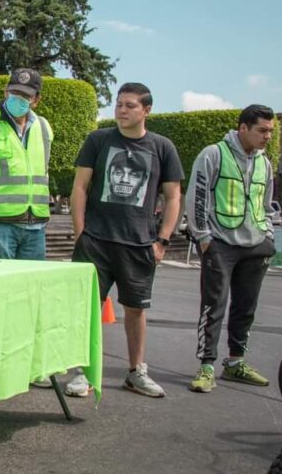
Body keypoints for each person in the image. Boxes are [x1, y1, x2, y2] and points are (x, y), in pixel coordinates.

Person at [65, 82, 183, 398]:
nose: (122, 110)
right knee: (88, 309)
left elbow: (173, 197)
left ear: (146, 110)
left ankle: (136, 372)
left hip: (140, 244)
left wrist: (162, 240)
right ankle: (83, 372)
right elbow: (79, 188)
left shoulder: (162, 147)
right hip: (96, 242)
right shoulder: (98, 140)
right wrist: (80, 234)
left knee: (135, 309)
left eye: (130, 105)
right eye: (119, 104)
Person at [186, 104, 277, 393]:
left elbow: (267, 201)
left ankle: (236, 362)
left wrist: (268, 233)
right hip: (220, 244)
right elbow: (197, 196)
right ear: (243, 128)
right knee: (213, 306)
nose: (267, 137)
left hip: (256, 244)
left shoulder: (265, 162)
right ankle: (206, 367)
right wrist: (203, 237)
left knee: (246, 308)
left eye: (271, 131)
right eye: (262, 130)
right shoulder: (214, 154)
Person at [0, 68, 53, 261]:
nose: (17, 98)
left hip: (36, 225)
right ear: (5, 91)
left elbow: (44, 170)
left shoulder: (44, 127)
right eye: (14, 92)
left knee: (32, 286)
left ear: (36, 100)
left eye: (25, 95)